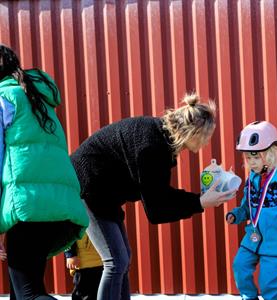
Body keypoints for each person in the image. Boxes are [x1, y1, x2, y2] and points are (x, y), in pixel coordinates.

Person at [70, 93, 236, 300]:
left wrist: (198, 201)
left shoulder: (159, 138)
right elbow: (157, 208)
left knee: (123, 259)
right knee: (115, 261)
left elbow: (160, 195)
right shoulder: (152, 146)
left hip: (104, 192)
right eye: (206, 138)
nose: (205, 144)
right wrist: (200, 202)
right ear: (193, 133)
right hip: (88, 187)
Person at [0, 44, 89, 299]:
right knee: (25, 290)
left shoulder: (4, 99)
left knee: (28, 294)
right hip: (57, 210)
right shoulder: (36, 98)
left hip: (27, 209)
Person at [226, 121, 277, 300]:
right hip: (252, 238)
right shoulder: (252, 178)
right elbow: (248, 207)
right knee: (240, 266)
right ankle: (249, 297)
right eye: (248, 158)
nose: (251, 163)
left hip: (275, 240)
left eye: (256, 158)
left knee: (268, 282)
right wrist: (236, 214)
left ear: (269, 155)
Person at [65, 233, 103, 300]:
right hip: (83, 264)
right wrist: (70, 255)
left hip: (102, 262)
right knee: (82, 294)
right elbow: (67, 233)